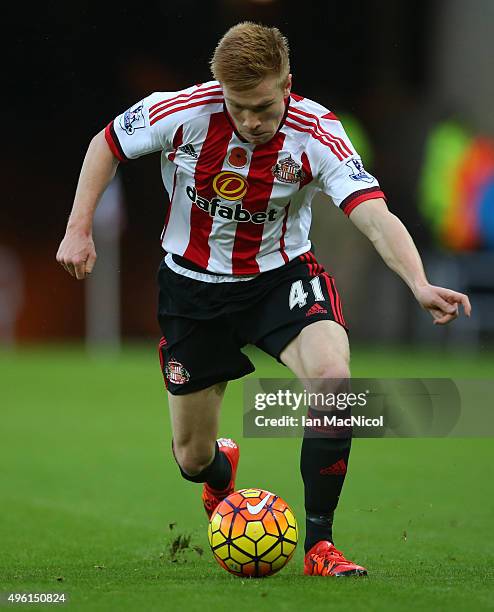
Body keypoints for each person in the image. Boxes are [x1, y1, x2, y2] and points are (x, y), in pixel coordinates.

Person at [57, 22, 471, 577]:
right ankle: (220, 471)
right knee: (191, 457)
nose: (252, 121)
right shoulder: (179, 113)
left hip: (281, 280)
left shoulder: (318, 132)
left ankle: (320, 546)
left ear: (287, 84)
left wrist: (419, 283)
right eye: (238, 107)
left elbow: (373, 214)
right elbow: (104, 144)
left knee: (333, 380)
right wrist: (78, 227)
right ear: (218, 89)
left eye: (264, 106)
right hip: (193, 289)